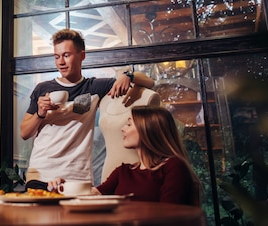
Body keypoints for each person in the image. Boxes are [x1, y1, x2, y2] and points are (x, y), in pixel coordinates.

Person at [20, 29, 133, 186]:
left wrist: (128, 75)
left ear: (82, 55)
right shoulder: (43, 88)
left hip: (77, 177)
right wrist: (40, 113)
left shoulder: (93, 87)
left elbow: (146, 83)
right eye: (57, 56)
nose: (60, 62)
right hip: (41, 174)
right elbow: (24, 133)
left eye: (66, 55)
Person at [93, 106, 200, 205]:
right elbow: (94, 195)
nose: (122, 128)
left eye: (129, 124)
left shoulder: (173, 166)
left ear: (148, 129)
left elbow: (169, 214)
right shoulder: (122, 172)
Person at [98, 70, 160, 183]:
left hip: (137, 168)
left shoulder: (147, 96)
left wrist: (129, 76)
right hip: (109, 170)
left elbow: (150, 82)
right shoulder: (105, 99)